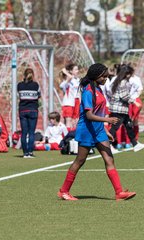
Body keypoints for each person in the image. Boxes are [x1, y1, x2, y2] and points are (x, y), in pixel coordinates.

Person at [58, 63, 136, 201]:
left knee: (109, 159)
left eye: (106, 76)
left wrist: (105, 130)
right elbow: (89, 115)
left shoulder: (98, 89)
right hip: (87, 130)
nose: (106, 78)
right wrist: (108, 120)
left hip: (98, 129)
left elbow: (98, 112)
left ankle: (119, 192)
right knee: (80, 160)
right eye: (104, 76)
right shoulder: (88, 91)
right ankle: (64, 191)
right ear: (96, 76)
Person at [107, 64, 144, 153]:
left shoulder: (118, 81)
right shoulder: (122, 82)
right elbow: (124, 96)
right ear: (126, 74)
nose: (131, 76)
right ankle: (108, 145)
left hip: (121, 108)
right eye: (130, 74)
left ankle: (135, 144)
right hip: (119, 109)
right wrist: (135, 102)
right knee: (114, 127)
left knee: (128, 125)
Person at [18, 68, 41, 158]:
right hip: (33, 110)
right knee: (31, 132)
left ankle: (24, 153)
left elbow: (19, 95)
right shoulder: (36, 85)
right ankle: (30, 152)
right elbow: (38, 96)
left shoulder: (20, 85)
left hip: (23, 110)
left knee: (24, 132)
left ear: (24, 75)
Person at [59, 63, 80, 130]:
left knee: (75, 121)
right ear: (71, 71)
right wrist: (65, 71)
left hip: (76, 102)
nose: (78, 71)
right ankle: (67, 138)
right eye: (76, 69)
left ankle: (73, 136)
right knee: (68, 121)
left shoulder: (77, 80)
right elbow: (62, 86)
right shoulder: (67, 81)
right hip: (68, 103)